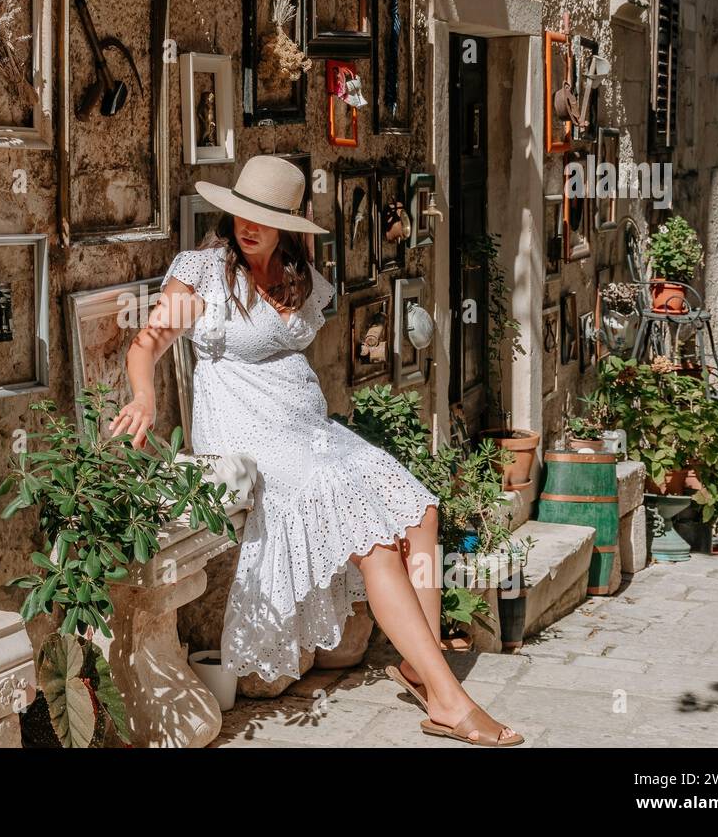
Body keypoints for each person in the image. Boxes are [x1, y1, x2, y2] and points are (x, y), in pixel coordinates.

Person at [111, 156, 523, 746]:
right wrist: (145, 399)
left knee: (422, 511)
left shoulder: (299, 276)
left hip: (307, 427)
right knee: (374, 541)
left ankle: (420, 664)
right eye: (241, 215)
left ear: (286, 226)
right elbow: (145, 345)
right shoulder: (202, 273)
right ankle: (450, 701)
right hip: (246, 434)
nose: (248, 228)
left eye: (264, 218)